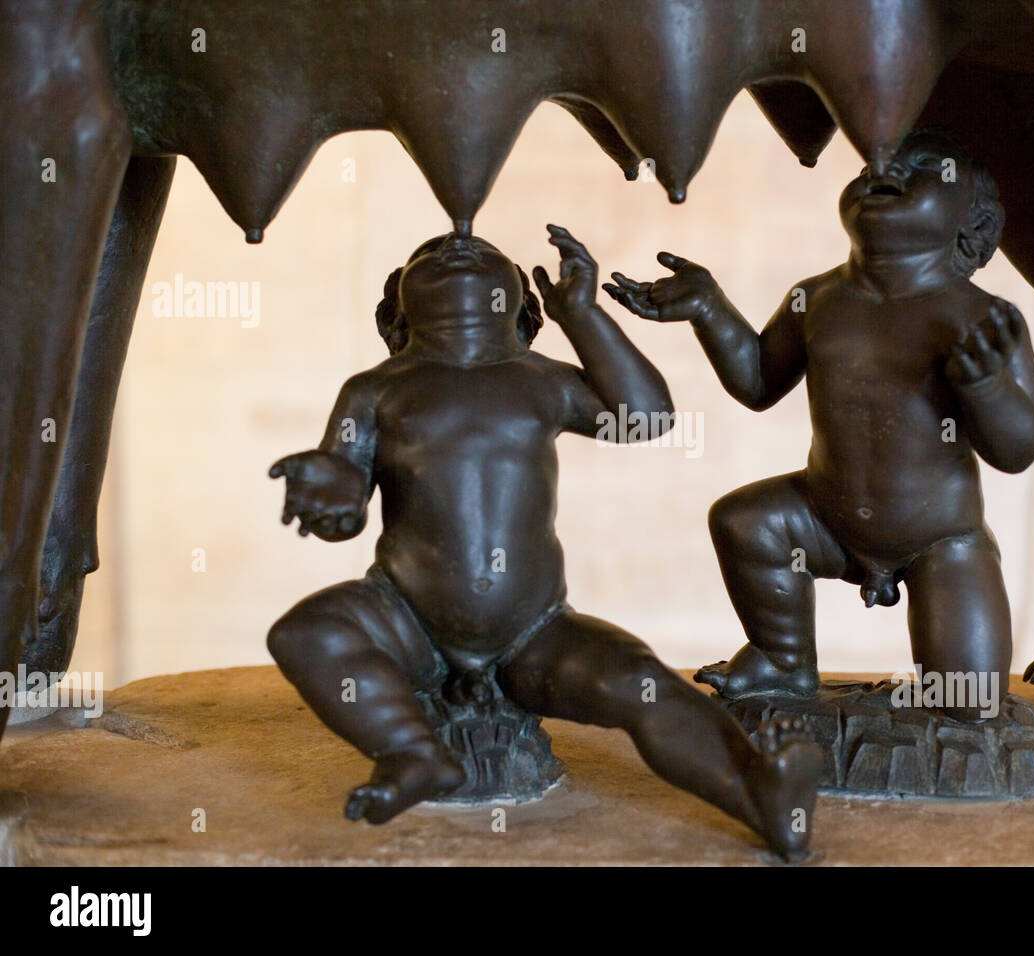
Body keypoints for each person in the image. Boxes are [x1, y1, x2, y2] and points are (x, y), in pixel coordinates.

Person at [267, 225, 820, 858]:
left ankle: (763, 798)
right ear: (398, 311)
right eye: (428, 254)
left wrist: (583, 316)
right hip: (404, 618)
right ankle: (411, 750)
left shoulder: (544, 380)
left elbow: (644, 417)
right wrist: (327, 494)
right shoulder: (374, 390)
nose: (457, 244)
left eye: (483, 253)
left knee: (641, 684)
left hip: (535, 630)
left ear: (523, 308)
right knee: (306, 633)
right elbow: (346, 496)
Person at [607, 129, 1034, 721]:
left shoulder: (982, 317)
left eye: (924, 168)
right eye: (872, 163)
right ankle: (783, 659)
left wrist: (988, 387)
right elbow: (760, 382)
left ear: (973, 224)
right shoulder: (814, 299)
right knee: (746, 522)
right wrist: (709, 309)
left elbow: (1019, 448)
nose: (884, 167)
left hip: (941, 539)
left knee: (972, 705)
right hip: (823, 518)